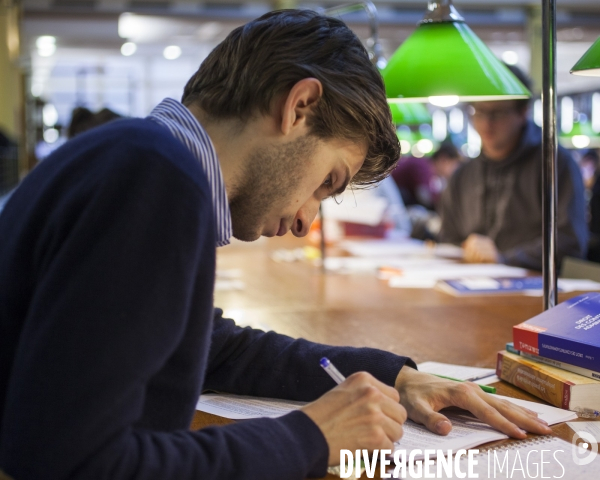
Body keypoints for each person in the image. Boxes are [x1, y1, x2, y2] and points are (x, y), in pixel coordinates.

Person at [0, 11, 551, 480]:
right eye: (328, 182)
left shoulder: (140, 157)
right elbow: (70, 463)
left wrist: (395, 376)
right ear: (299, 107)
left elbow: (212, 346)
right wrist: (311, 436)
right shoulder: (155, 178)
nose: (308, 219)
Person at [438, 65, 588, 269]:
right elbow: (448, 237)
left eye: (498, 113)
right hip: (471, 287)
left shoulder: (554, 164)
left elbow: (571, 241)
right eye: (479, 111)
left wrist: (503, 259)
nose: (486, 123)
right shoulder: (464, 175)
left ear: (523, 112)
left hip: (534, 292)